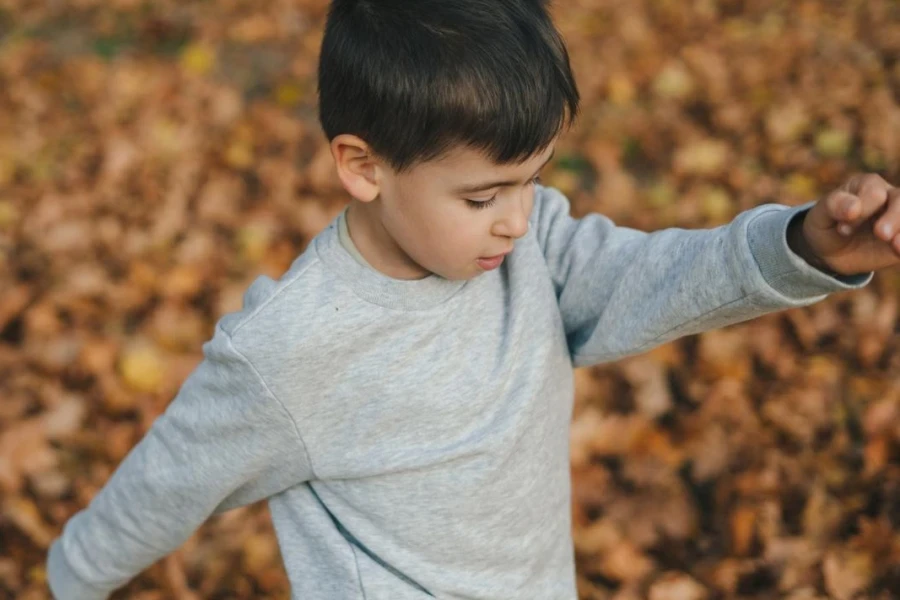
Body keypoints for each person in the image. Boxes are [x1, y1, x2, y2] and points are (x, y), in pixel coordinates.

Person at [47, 0, 900, 598]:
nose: (518, 222)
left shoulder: (533, 248)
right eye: (483, 196)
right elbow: (164, 484)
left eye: (534, 181)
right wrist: (70, 580)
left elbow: (659, 277)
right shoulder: (290, 353)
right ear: (363, 167)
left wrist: (801, 246)